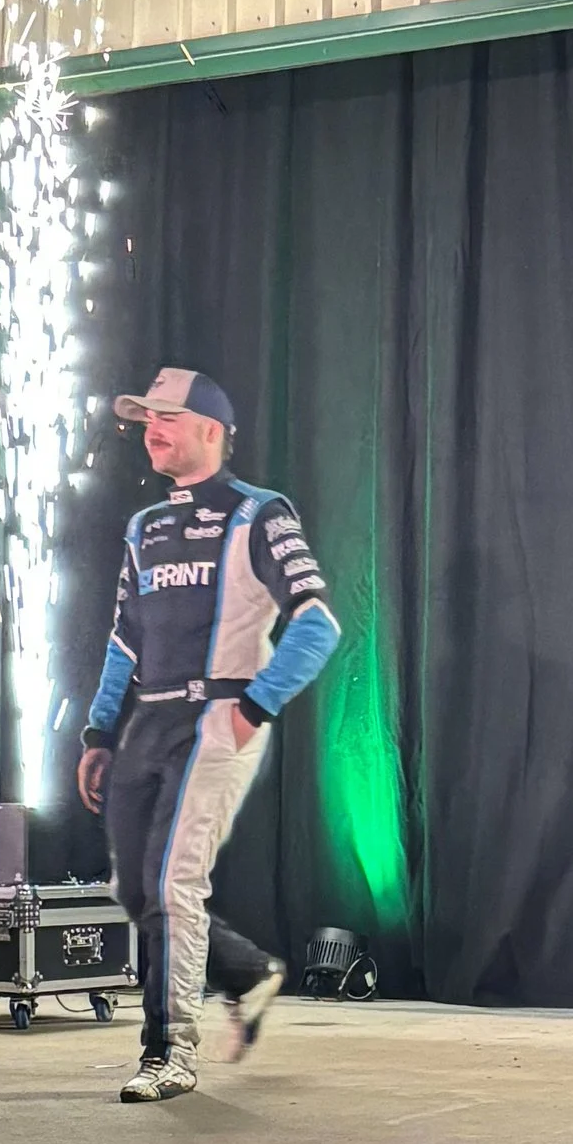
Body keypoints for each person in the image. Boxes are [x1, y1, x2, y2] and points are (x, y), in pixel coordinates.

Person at [79, 366, 341, 1101]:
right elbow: (123, 641)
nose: (150, 430)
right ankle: (246, 971)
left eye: (167, 417)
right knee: (132, 886)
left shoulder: (261, 512)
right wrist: (100, 731)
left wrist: (255, 704)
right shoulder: (144, 527)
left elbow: (318, 623)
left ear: (212, 432)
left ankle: (169, 1051)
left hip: (215, 717)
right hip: (146, 722)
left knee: (171, 881)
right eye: (145, 419)